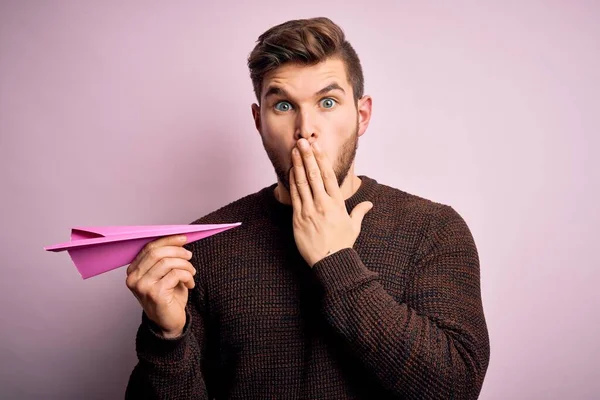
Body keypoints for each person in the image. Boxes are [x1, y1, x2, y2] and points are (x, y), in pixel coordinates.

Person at [124, 17, 490, 399]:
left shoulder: (433, 229)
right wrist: (166, 338)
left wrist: (335, 260)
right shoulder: (204, 245)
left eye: (327, 102)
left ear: (361, 116)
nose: (306, 128)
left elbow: (456, 388)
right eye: (283, 105)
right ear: (258, 121)